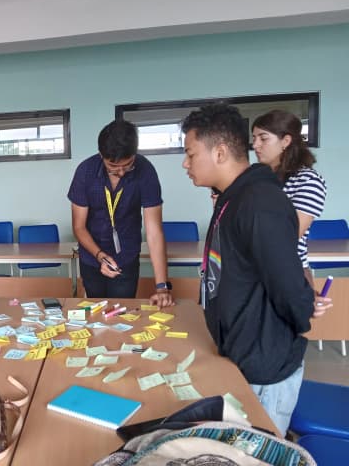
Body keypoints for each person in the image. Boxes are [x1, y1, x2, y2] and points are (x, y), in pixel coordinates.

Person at [181, 103, 332, 435]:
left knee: (259, 450)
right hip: (242, 353)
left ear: (219, 152)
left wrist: (302, 310)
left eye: (191, 154)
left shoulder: (260, 202)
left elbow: (288, 285)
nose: (185, 163)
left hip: (266, 366)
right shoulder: (233, 196)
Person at [68, 119, 174, 305]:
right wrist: (100, 256)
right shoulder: (85, 172)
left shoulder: (145, 171)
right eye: (113, 167)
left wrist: (162, 286)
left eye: (128, 165)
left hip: (126, 257)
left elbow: (154, 232)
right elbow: (79, 226)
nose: (122, 172)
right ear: (101, 155)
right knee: (96, 314)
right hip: (91, 258)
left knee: (122, 315)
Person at [252, 109, 327, 288]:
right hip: (253, 272)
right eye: (254, 138)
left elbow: (285, 237)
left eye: (263, 138)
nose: (255, 145)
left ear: (286, 141)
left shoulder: (308, 181)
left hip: (287, 273)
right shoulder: (256, 178)